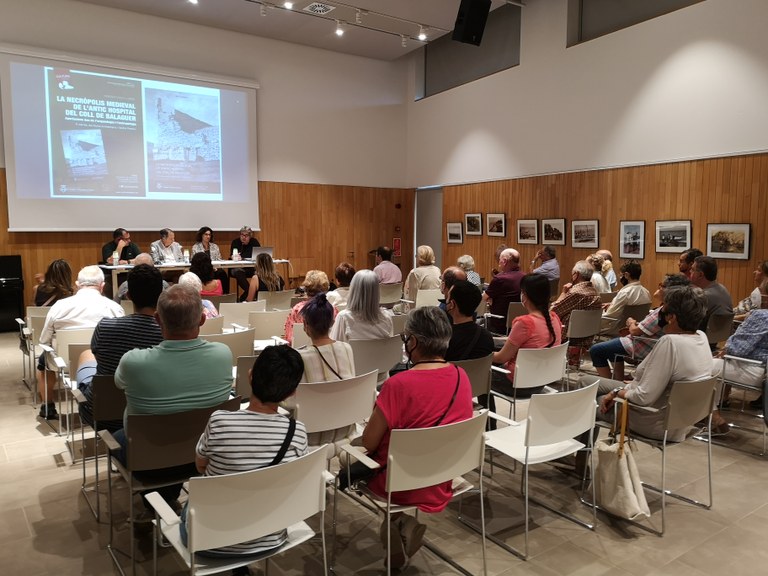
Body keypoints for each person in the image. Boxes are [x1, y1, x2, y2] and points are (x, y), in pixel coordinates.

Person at [359, 306, 473, 569]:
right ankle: (402, 526)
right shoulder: (461, 376)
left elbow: (369, 443)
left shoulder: (398, 385)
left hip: (397, 483)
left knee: (349, 457)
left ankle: (400, 524)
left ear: (414, 341)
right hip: (443, 475)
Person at [179, 345, 308, 563]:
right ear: (292, 391)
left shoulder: (220, 421)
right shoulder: (298, 432)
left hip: (207, 541)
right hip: (270, 538)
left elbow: (200, 465)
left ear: (250, 376)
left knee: (187, 507)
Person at [114, 284, 233, 506]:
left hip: (147, 461)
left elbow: (118, 384)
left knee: (118, 435)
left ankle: (161, 500)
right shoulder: (223, 355)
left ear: (157, 319)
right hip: (206, 456)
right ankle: (165, 499)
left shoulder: (133, 361)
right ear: (202, 320)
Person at [581, 285, 714, 442]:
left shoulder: (670, 343)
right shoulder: (701, 337)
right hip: (680, 421)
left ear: (673, 317)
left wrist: (616, 392)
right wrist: (623, 388)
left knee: (584, 398)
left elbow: (643, 398)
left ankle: (579, 457)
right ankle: (579, 457)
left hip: (654, 421)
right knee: (584, 381)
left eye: (663, 314)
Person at [75, 264, 164, 433]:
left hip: (101, 415)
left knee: (86, 355)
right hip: (150, 413)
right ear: (160, 295)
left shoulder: (105, 327)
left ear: (128, 296)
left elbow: (99, 357)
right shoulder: (168, 333)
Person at [36, 266, 124, 419]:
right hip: (102, 362)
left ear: (77, 284)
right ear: (102, 286)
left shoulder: (60, 306)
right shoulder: (114, 308)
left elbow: (44, 340)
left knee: (43, 362)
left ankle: (48, 406)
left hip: (63, 363)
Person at [589, 273, 690, 381]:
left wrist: (631, 322)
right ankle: (617, 380)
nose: (659, 287)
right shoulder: (647, 293)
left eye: (662, 285)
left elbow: (635, 332)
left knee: (596, 350)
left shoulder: (664, 312)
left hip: (642, 343)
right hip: (648, 340)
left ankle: (609, 383)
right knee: (611, 348)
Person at [292, 293, 356, 444]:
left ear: (306, 325)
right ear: (332, 322)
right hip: (345, 428)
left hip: (310, 436)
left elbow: (289, 403)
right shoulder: (347, 348)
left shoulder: (297, 357)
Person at [492, 274, 563, 399]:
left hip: (516, 384)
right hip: (540, 381)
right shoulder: (554, 318)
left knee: (476, 372)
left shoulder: (524, 323)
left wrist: (480, 355)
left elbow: (501, 358)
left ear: (524, 295)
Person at [711, 279, 768, 434]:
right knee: (717, 365)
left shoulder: (761, 316)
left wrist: (726, 350)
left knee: (703, 365)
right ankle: (715, 411)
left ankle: (713, 417)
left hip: (757, 372)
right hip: (762, 371)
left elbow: (739, 349)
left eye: (760, 291)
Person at [551, 260, 601, 353]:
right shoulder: (595, 292)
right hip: (588, 336)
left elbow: (553, 312)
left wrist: (563, 293)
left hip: (567, 337)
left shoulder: (576, 293)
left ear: (576, 274)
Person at [331, 269, 393, 342]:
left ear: (353, 290)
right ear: (377, 292)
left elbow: (335, 347)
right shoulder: (387, 317)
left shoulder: (344, 318)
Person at [444, 280, 495, 361]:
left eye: (448, 297)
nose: (446, 301)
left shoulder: (444, 339)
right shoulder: (486, 336)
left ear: (452, 304)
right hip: (479, 374)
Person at [600, 261, 651, 334]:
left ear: (626, 275)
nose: (620, 277)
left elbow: (610, 316)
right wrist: (611, 305)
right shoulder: (646, 292)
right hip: (635, 330)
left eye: (621, 275)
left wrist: (594, 319)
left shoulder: (625, 293)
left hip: (618, 330)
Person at [483, 247, 524, 334]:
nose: (499, 264)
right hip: (520, 323)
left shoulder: (499, 279)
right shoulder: (525, 277)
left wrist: (491, 300)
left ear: (504, 261)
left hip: (499, 324)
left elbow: (484, 298)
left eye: (499, 260)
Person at [284, 270, 331, 344]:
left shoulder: (297, 310)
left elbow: (289, 339)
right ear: (326, 289)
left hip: (300, 353)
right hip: (328, 352)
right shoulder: (331, 309)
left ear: (306, 289)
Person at [690, 255, 733, 332]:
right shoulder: (723, 289)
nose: (690, 271)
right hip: (716, 338)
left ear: (700, 275)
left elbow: (687, 320)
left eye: (692, 270)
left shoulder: (703, 296)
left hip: (700, 339)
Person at [191, 226, 229, 293]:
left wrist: (214, 267)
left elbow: (218, 259)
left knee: (222, 273)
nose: (208, 236)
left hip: (214, 269)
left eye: (209, 235)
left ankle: (225, 295)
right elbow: (194, 261)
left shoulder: (215, 246)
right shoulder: (195, 247)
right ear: (201, 235)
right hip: (201, 270)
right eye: (206, 234)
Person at [229, 225, 262, 297]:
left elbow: (258, 255)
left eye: (246, 235)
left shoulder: (254, 242)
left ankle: (246, 295)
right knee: (238, 272)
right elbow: (232, 255)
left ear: (250, 236)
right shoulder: (235, 242)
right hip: (238, 267)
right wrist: (234, 256)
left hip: (251, 268)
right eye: (242, 235)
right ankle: (254, 294)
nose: (243, 237)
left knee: (262, 272)